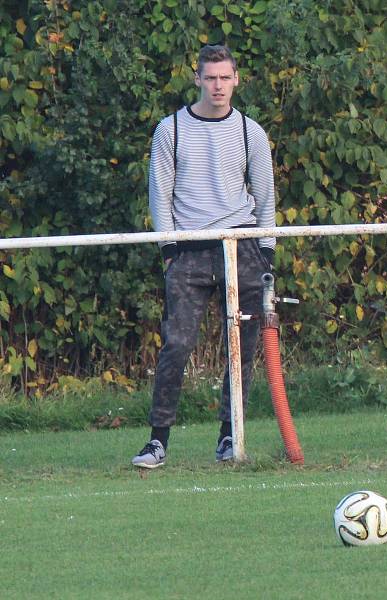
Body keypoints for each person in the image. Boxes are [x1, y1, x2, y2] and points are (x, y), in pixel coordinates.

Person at [132, 45, 276, 468]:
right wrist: (168, 248)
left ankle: (230, 436)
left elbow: (265, 195)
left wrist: (267, 251)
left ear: (236, 80)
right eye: (210, 78)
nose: (218, 86)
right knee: (176, 344)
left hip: (243, 244)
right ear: (197, 79)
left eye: (224, 78)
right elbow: (159, 191)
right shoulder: (170, 129)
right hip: (189, 250)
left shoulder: (251, 131)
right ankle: (157, 441)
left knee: (242, 348)